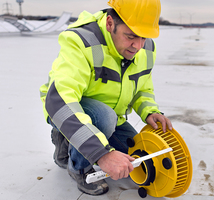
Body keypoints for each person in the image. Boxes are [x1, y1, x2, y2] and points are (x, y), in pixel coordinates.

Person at [39, 0, 172, 196]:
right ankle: (78, 167)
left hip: (111, 117)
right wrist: (101, 154)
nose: (138, 46)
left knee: (134, 159)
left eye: (144, 37)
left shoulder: (146, 47)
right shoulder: (81, 41)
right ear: (110, 23)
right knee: (104, 119)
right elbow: (60, 101)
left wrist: (149, 110)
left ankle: (72, 140)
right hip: (69, 110)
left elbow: (142, 87)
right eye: (130, 36)